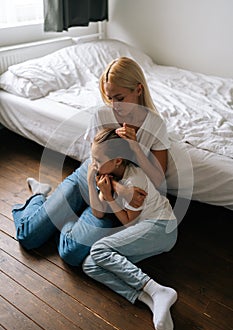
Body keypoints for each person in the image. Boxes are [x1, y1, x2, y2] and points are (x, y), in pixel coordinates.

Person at [12, 56, 171, 267]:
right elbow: (96, 164)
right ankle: (39, 196)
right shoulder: (102, 115)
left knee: (73, 251)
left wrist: (135, 147)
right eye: (110, 97)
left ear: (138, 90)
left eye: (120, 98)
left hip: (110, 201)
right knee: (28, 237)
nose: (114, 105)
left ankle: (68, 217)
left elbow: (158, 179)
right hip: (87, 180)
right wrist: (122, 190)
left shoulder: (155, 124)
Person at [82, 127, 178, 330]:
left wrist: (110, 196)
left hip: (161, 227)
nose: (93, 164)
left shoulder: (135, 181)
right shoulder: (107, 175)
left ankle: (155, 289)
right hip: (145, 229)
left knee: (99, 249)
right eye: (92, 157)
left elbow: (128, 222)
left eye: (97, 159)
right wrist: (92, 182)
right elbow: (97, 213)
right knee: (89, 264)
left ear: (117, 160)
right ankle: (150, 299)